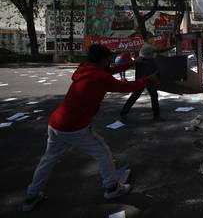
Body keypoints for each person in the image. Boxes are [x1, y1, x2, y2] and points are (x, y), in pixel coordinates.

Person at [22, 44, 160, 212]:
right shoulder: (99, 76)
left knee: (48, 160)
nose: (109, 63)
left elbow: (109, 72)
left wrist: (131, 64)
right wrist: (147, 79)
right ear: (103, 60)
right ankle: (112, 188)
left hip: (56, 123)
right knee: (102, 152)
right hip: (74, 127)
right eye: (108, 59)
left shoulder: (86, 70)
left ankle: (31, 195)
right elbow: (125, 87)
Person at [120, 32, 174, 123]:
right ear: (146, 39)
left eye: (153, 36)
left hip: (144, 71)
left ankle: (124, 113)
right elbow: (160, 51)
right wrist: (173, 46)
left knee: (141, 93)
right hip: (145, 71)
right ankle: (156, 116)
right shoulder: (148, 46)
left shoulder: (147, 46)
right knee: (149, 94)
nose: (152, 38)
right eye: (150, 37)